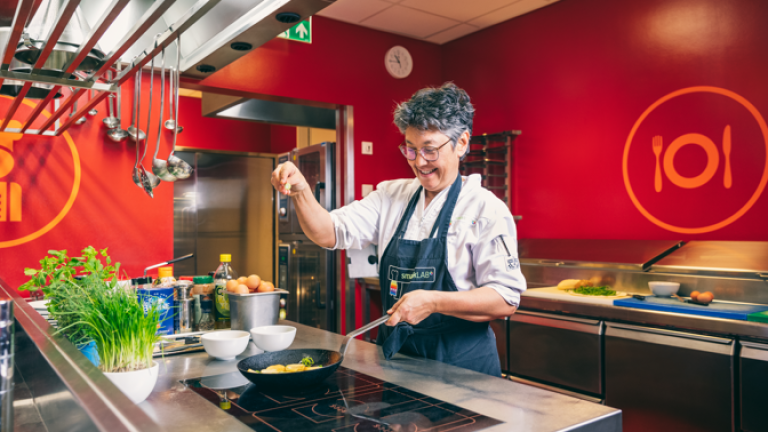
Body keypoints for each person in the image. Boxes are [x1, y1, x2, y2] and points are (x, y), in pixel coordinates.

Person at [270, 82, 526, 376]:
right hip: (401, 364)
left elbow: (506, 298)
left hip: (463, 368)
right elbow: (328, 232)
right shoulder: (391, 196)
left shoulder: (485, 209)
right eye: (411, 149)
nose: (419, 162)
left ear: (462, 143)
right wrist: (301, 191)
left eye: (430, 150)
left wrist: (433, 301)